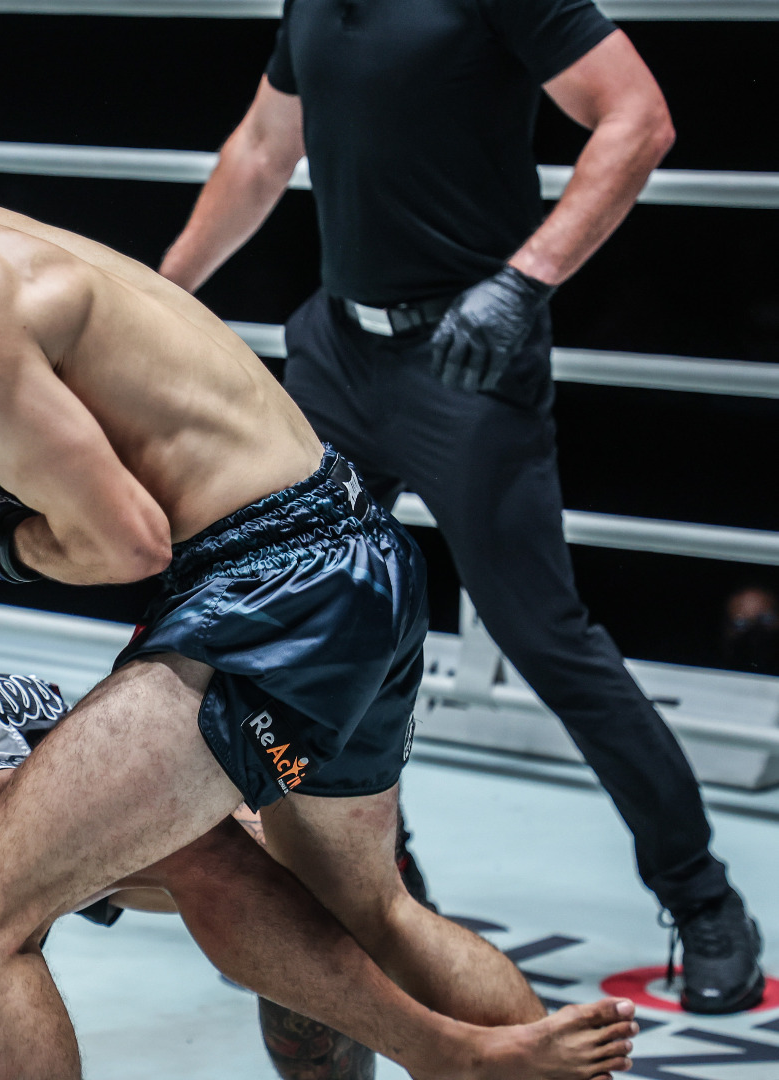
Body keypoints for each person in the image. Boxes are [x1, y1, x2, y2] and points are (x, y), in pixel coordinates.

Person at [0, 151, 638, 1080]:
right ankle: (482, 1060)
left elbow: (126, 545)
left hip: (269, 598)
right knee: (368, 910)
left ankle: (453, 1059)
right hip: (347, 550)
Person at [157, 0, 764, 1016]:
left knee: (544, 636)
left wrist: (525, 282)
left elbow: (638, 117)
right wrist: (158, 299)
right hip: (336, 355)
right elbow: (262, 150)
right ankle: (377, 880)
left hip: (467, 358)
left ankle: (702, 896)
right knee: (287, 619)